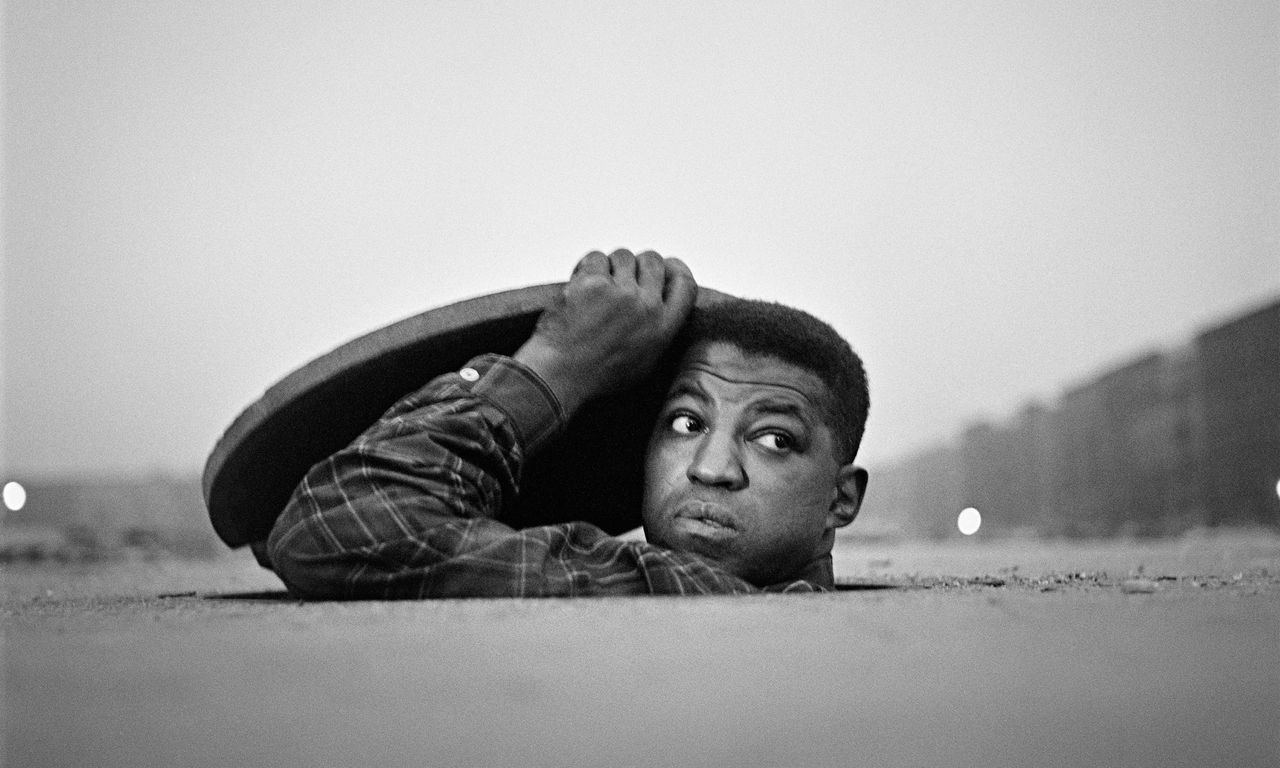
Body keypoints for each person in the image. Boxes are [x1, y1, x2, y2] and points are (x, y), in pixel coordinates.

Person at [266, 249, 869, 597]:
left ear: (841, 499)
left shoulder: (671, 586)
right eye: (686, 423)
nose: (711, 470)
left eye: (773, 439)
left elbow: (331, 530)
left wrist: (558, 361)